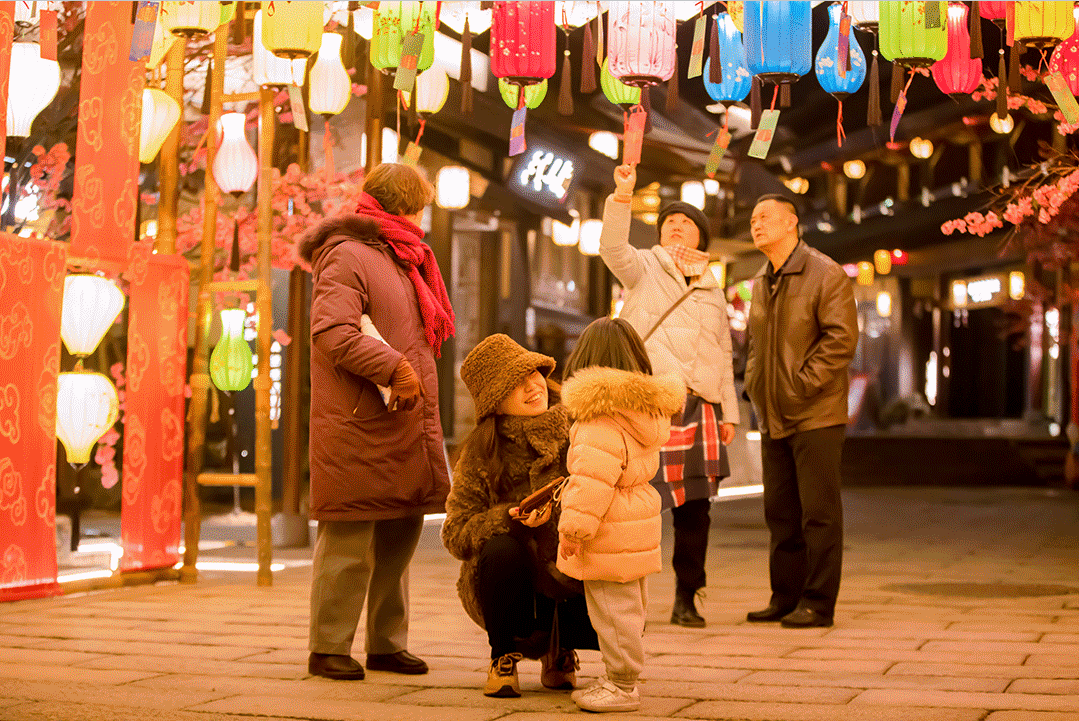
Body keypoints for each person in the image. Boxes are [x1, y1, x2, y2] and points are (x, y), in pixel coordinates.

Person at [299, 163, 454, 680]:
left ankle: (387, 643)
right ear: (404, 207)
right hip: (360, 418)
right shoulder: (348, 254)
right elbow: (332, 332)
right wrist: (393, 367)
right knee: (350, 536)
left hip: (404, 416)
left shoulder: (403, 257)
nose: (424, 218)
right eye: (421, 207)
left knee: (399, 534)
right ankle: (328, 646)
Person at [597, 164, 739, 628]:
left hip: (700, 406)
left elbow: (722, 351)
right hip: (647, 404)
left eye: (687, 222)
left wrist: (728, 410)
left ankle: (687, 595)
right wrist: (622, 193)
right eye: (669, 222)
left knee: (696, 509)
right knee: (636, 504)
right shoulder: (643, 267)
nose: (676, 226)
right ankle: (626, 595)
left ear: (701, 237)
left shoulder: (713, 288)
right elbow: (611, 246)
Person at [442, 334, 599, 698]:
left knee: (586, 539)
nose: (533, 386)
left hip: (568, 572)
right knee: (501, 550)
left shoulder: (576, 430)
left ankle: (562, 648)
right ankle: (502, 657)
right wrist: (508, 520)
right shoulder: (482, 451)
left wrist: (560, 514)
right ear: (495, 400)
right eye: (516, 381)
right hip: (511, 583)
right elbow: (454, 533)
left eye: (535, 373)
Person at [556, 317, 684, 713]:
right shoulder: (644, 414)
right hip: (637, 518)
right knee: (629, 607)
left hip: (609, 525)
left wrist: (573, 530)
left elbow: (592, 482)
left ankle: (622, 685)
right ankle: (618, 676)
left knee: (612, 611)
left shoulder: (600, 417)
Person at [743, 194, 858, 629]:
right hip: (773, 414)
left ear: (792, 222)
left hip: (817, 414)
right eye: (753, 218)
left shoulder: (824, 272)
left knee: (819, 513)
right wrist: (757, 385)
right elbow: (755, 348)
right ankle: (785, 596)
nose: (756, 224)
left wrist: (800, 385)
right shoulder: (760, 280)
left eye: (764, 216)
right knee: (781, 513)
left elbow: (841, 340)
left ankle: (818, 602)